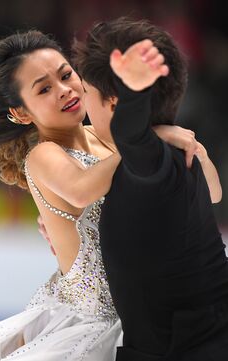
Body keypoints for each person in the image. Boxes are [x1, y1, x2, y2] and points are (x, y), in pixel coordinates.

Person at [0, 25, 218, 360]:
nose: (64, 90)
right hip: (91, 325)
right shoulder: (44, 156)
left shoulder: (107, 135)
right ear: (20, 113)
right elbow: (80, 191)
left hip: (144, 310)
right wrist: (149, 140)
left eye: (66, 74)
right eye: (44, 89)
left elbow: (210, 194)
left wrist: (194, 150)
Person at [69, 18, 227, 360]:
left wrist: (134, 92)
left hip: (191, 347)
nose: (82, 107)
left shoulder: (158, 164)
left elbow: (132, 137)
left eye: (86, 93)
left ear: (114, 103)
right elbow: (215, 195)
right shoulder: (177, 153)